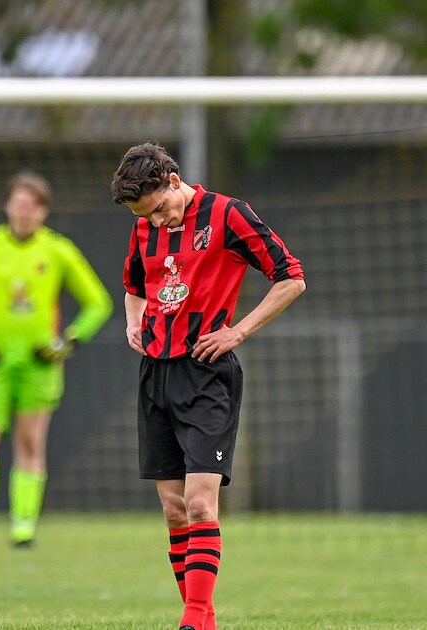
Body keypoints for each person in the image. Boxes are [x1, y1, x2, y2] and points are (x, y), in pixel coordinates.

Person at [111, 142, 305, 630]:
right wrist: (134, 323)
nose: (156, 223)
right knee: (175, 511)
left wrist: (238, 331)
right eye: (144, 216)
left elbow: (291, 278)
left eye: (158, 210)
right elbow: (135, 285)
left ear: (173, 182)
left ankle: (195, 620)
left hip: (206, 373)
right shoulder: (142, 228)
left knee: (200, 502)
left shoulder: (227, 214)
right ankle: (202, 617)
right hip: (155, 373)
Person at [0, 170, 113, 549]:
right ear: (7, 206)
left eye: (32, 206)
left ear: (44, 211)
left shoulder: (58, 251)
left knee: (30, 444)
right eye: (18, 204)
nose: (24, 213)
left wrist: (69, 342)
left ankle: (23, 530)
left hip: (39, 365)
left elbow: (99, 303)